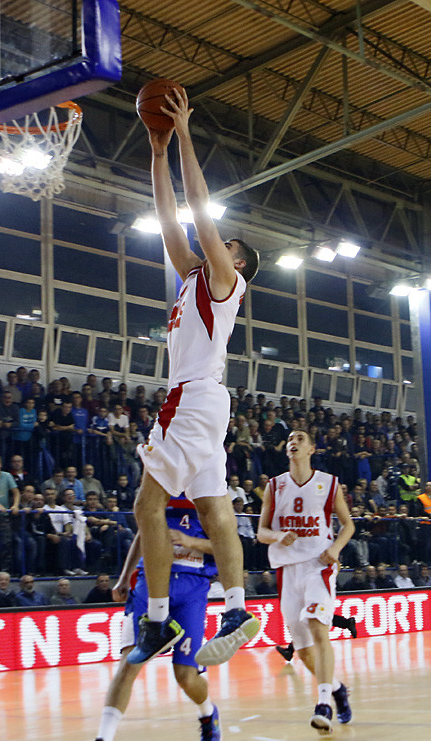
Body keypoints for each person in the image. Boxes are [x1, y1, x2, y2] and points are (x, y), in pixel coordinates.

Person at [122, 85, 262, 669]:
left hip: (193, 398)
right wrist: (156, 154)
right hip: (206, 401)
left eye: (226, 245)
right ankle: (235, 607)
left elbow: (201, 212)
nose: (214, 245)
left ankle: (156, 623)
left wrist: (183, 134)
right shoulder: (193, 279)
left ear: (237, 262)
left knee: (147, 507)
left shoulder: (227, 281)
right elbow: (170, 223)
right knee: (214, 509)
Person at [81, 495, 225, 741]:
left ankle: (208, 714)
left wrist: (189, 540)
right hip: (148, 585)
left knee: (185, 676)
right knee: (128, 666)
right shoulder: (158, 483)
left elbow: (226, 546)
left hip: (191, 587)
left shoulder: (208, 490)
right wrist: (124, 577)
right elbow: (142, 534)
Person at [256, 430, 355, 732]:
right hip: (287, 570)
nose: (292, 441)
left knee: (317, 627)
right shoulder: (275, 486)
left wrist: (335, 549)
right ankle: (336, 687)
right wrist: (277, 536)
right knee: (302, 650)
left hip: (318, 566)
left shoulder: (329, 483)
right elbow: (261, 531)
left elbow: (348, 525)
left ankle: (323, 702)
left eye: (299, 438)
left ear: (311, 448)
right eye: (289, 439)